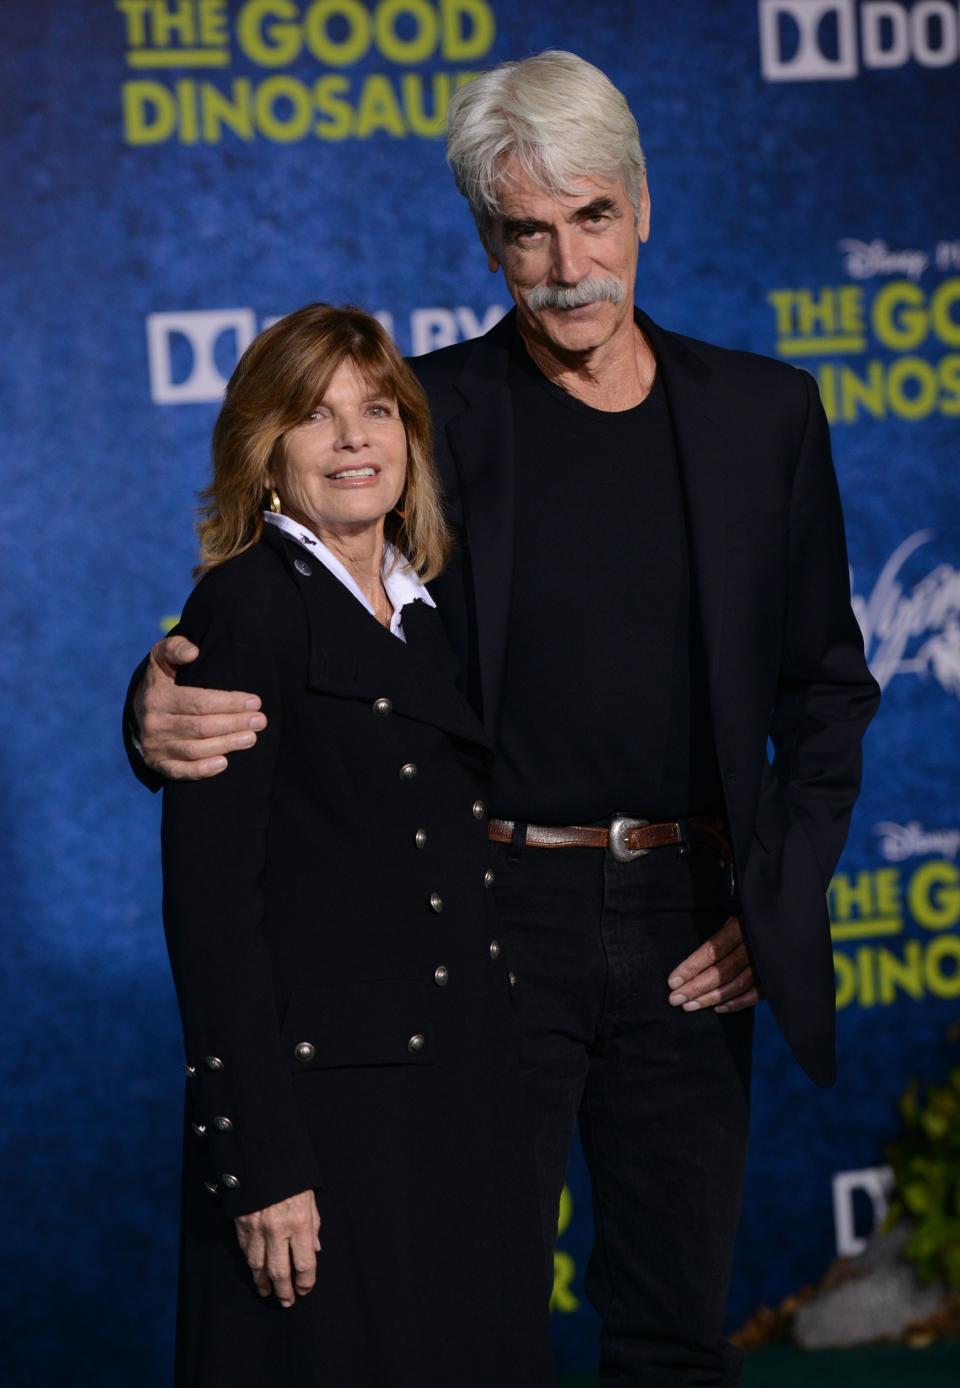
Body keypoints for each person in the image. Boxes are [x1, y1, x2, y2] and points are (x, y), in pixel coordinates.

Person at [126, 52, 881, 1387]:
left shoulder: (767, 416)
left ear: (644, 208)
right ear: (489, 244)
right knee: (467, 1332)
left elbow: (826, 689)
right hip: (482, 930)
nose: (567, 263)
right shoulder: (422, 416)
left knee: (671, 1330)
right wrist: (151, 704)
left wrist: (772, 902)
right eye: (527, 232)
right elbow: (282, 601)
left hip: (692, 924)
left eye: (593, 217)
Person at [155, 302, 554, 1388]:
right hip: (328, 1125)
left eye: (377, 408)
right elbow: (211, 910)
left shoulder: (429, 610)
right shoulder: (243, 608)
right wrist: (262, 1163)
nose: (353, 439)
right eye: (316, 414)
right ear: (265, 451)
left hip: (460, 1106)